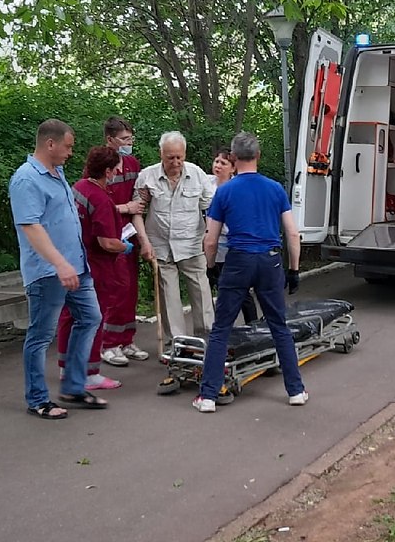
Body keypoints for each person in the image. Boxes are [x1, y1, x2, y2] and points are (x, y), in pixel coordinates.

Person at [196, 131, 306, 413]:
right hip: (270, 261)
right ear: (258, 156)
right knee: (278, 325)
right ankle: (296, 390)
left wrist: (211, 268)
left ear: (233, 158)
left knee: (221, 328)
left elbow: (211, 238)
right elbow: (293, 234)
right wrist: (294, 271)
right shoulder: (275, 189)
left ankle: (208, 396)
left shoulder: (225, 192)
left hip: (238, 260)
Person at [8, 119, 107, 419]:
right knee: (40, 336)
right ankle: (38, 399)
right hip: (48, 273)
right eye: (68, 147)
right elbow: (31, 226)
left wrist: (71, 262)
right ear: (50, 144)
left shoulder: (57, 173)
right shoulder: (26, 179)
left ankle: (74, 386)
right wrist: (59, 263)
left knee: (91, 318)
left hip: (76, 267)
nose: (71, 153)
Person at [52, 146, 133, 390]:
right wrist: (124, 247)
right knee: (92, 318)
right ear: (107, 171)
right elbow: (106, 242)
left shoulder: (78, 188)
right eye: (116, 168)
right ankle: (89, 373)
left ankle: (67, 368)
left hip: (75, 261)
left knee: (70, 316)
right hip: (96, 268)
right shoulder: (100, 198)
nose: (119, 172)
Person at [131, 131, 216, 344]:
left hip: (192, 244)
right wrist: (144, 242)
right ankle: (177, 343)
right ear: (161, 154)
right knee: (168, 296)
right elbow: (137, 212)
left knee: (202, 292)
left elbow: (211, 210)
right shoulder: (147, 176)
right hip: (160, 245)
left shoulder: (197, 175)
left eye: (179, 157)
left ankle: (207, 339)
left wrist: (210, 238)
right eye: (170, 157)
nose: (176, 162)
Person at [100, 116, 147, 366]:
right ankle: (108, 343)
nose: (129, 143)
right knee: (116, 289)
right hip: (110, 236)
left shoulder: (132, 163)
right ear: (110, 140)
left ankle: (126, 339)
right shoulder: (99, 165)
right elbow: (97, 204)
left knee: (130, 289)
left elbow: (137, 199)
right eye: (125, 139)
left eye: (131, 138)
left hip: (130, 234)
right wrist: (124, 207)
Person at [207, 149, 260, 323]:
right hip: (210, 246)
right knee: (209, 288)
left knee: (239, 289)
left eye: (223, 163)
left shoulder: (237, 187)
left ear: (232, 168)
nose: (218, 166)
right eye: (216, 161)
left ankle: (252, 324)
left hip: (232, 246)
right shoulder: (206, 184)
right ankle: (216, 327)